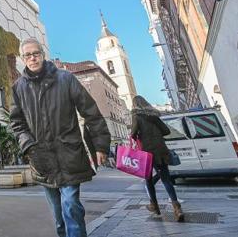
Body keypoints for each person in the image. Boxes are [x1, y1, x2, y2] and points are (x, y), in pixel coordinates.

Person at [10, 38, 111, 237]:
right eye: (28, 55)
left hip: (69, 154)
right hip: (41, 159)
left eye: (36, 53)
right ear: (23, 59)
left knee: (71, 205)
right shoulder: (18, 87)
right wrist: (29, 146)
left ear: (43, 55)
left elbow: (90, 112)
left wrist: (100, 146)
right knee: (58, 216)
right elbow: (16, 123)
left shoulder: (65, 78)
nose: (33, 58)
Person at [131, 95, 184, 222]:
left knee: (148, 180)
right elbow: (166, 131)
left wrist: (139, 134)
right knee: (166, 180)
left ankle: (154, 206)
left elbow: (133, 133)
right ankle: (177, 207)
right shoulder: (154, 116)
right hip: (161, 150)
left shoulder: (137, 116)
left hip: (147, 153)